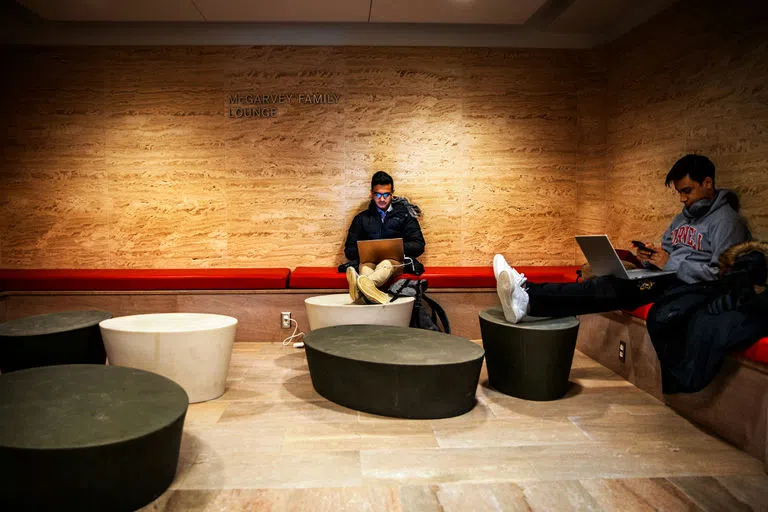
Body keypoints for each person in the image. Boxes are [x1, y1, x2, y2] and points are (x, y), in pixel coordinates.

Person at [494, 154, 751, 323]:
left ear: (708, 183)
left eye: (687, 191)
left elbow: (721, 275)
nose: (683, 199)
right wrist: (650, 257)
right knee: (607, 280)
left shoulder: (728, 222)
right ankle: (527, 292)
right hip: (667, 277)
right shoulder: (683, 217)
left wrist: (670, 264)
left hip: (689, 287)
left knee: (610, 288)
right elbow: (668, 251)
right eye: (679, 193)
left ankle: (527, 298)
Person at [342, 171, 426, 304]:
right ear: (371, 194)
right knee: (365, 268)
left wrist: (395, 247)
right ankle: (369, 289)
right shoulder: (361, 218)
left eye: (386, 194)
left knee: (385, 264)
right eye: (378, 194)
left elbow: (419, 245)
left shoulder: (405, 216)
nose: (382, 199)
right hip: (368, 262)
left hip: (394, 262)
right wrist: (368, 249)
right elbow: (349, 250)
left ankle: (359, 288)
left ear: (392, 193)